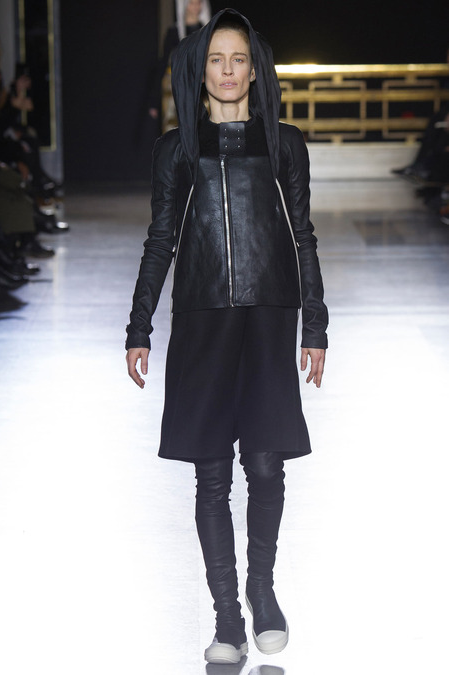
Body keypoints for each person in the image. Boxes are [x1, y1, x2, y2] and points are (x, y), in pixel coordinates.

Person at [125, 8, 328, 666]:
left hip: (268, 317)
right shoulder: (178, 150)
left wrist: (316, 322)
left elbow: (303, 233)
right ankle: (227, 617)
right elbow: (161, 239)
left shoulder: (284, 144)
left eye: (239, 59)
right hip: (203, 319)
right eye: (217, 59)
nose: (229, 70)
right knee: (212, 474)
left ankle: (262, 589)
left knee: (265, 465)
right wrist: (138, 324)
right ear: (201, 69)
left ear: (256, 68)